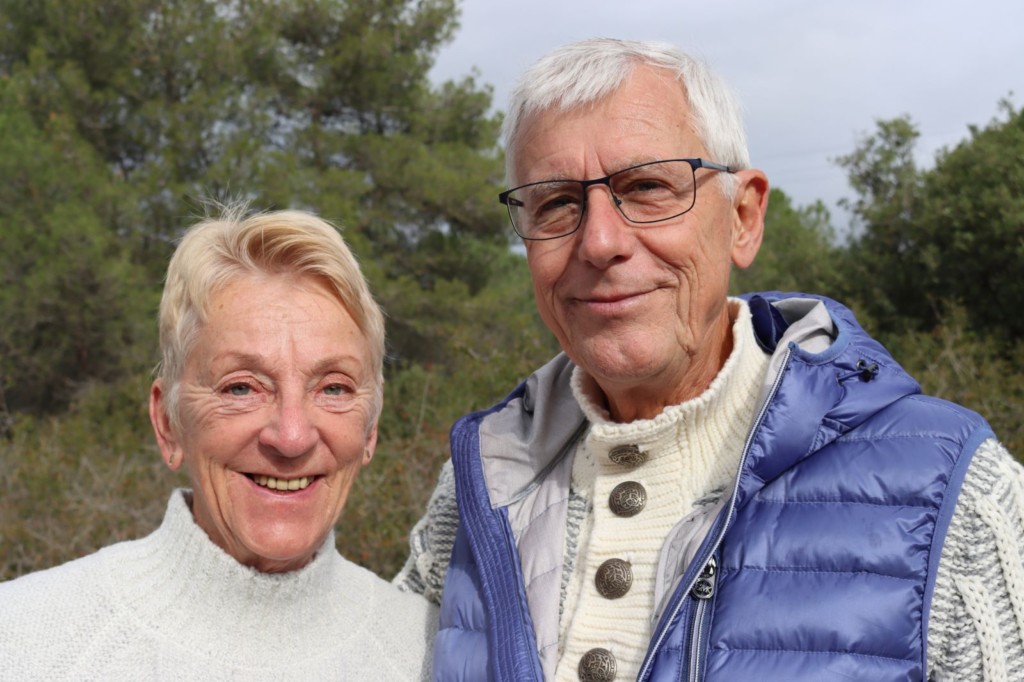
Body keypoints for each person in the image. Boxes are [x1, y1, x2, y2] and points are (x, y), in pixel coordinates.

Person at [395, 38, 1024, 682]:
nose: (600, 242)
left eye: (647, 187)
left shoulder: (948, 492)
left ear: (743, 218)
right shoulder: (482, 483)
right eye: (556, 202)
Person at [0, 207, 437, 680]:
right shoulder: (24, 642)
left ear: (370, 428)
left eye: (334, 388)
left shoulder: (431, 656)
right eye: (241, 388)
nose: (292, 437)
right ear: (168, 422)